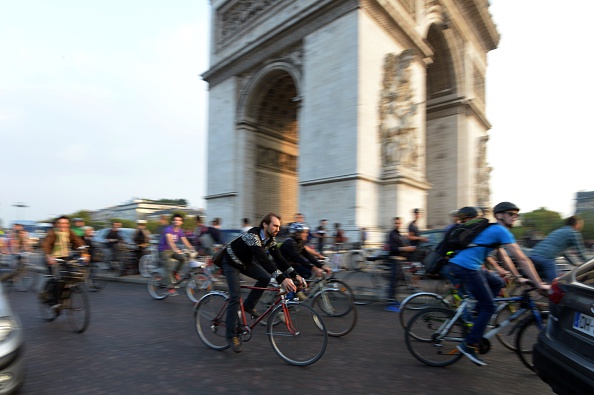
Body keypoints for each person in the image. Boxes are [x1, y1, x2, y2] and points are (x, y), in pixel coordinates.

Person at [448, 202, 549, 366]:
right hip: (465, 267)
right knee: (489, 307)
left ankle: (476, 315)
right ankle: (469, 345)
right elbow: (522, 258)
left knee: (496, 283)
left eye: (516, 214)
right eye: (511, 214)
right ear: (499, 215)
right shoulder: (499, 230)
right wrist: (539, 284)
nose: (514, 217)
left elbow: (506, 257)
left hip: (467, 265)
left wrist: (517, 276)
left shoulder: (496, 230)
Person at [219, 212, 304, 353]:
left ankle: (248, 305)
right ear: (265, 224)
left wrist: (295, 275)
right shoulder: (253, 235)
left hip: (245, 263)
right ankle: (231, 335)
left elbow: (279, 258)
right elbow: (264, 260)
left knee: (264, 278)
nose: (278, 229)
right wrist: (282, 279)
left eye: (279, 226)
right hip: (231, 262)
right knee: (235, 296)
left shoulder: (270, 239)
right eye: (275, 225)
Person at [41, 216, 86, 308]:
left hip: (65, 258)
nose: (63, 226)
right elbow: (46, 244)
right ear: (57, 224)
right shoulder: (53, 233)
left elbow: (78, 242)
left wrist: (84, 253)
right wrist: (49, 256)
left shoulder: (69, 232)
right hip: (53, 258)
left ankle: (65, 296)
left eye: (65, 223)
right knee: (57, 279)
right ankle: (54, 301)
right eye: (61, 223)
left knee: (72, 275)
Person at [528, 215, 590, 284]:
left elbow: (564, 252)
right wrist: (589, 264)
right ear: (577, 224)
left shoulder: (558, 231)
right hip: (546, 258)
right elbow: (581, 252)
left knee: (547, 278)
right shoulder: (574, 233)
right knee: (556, 284)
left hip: (533, 255)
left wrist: (574, 263)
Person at [158, 214, 195, 294]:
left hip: (171, 250)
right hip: (163, 251)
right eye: (175, 220)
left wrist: (192, 249)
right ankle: (170, 287)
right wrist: (175, 249)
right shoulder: (168, 229)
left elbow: (185, 240)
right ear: (172, 221)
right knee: (168, 268)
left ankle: (175, 272)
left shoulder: (180, 231)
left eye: (178, 220)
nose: (176, 221)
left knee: (183, 258)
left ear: (181, 222)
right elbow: (169, 240)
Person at [385, 217, 416, 312]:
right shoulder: (392, 234)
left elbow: (401, 246)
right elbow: (393, 248)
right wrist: (406, 249)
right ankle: (389, 304)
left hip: (400, 261)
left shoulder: (398, 234)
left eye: (399, 223)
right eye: (396, 223)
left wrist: (407, 247)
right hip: (395, 260)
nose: (397, 225)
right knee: (393, 282)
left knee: (397, 282)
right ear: (394, 223)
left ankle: (393, 300)